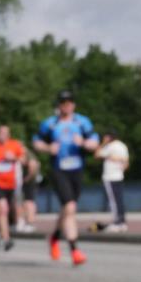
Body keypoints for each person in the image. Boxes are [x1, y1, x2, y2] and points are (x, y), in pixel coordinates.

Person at [33, 90, 99, 266]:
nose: (66, 105)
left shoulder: (82, 122)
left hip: (76, 170)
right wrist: (48, 148)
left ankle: (54, 237)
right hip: (58, 170)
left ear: (73, 105)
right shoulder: (50, 124)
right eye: (63, 102)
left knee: (67, 209)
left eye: (69, 102)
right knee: (70, 207)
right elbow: (36, 142)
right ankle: (74, 250)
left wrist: (84, 143)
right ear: (59, 105)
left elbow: (95, 142)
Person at [0, 125, 26, 252]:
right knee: (3, 209)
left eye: (7, 133)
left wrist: (14, 158)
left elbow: (24, 160)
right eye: (2, 133)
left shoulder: (15, 145)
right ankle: (6, 239)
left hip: (10, 184)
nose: (5, 135)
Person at [97, 130, 129, 233]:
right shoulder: (123, 146)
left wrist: (103, 143)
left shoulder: (110, 146)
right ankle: (122, 222)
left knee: (113, 201)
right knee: (119, 200)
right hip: (119, 175)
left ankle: (117, 223)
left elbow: (97, 154)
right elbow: (126, 163)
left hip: (110, 176)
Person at [17, 148, 40, 233]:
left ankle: (30, 223)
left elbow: (33, 166)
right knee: (27, 202)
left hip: (29, 182)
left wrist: (27, 178)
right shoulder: (30, 156)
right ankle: (27, 222)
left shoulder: (29, 156)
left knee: (29, 202)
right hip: (29, 182)